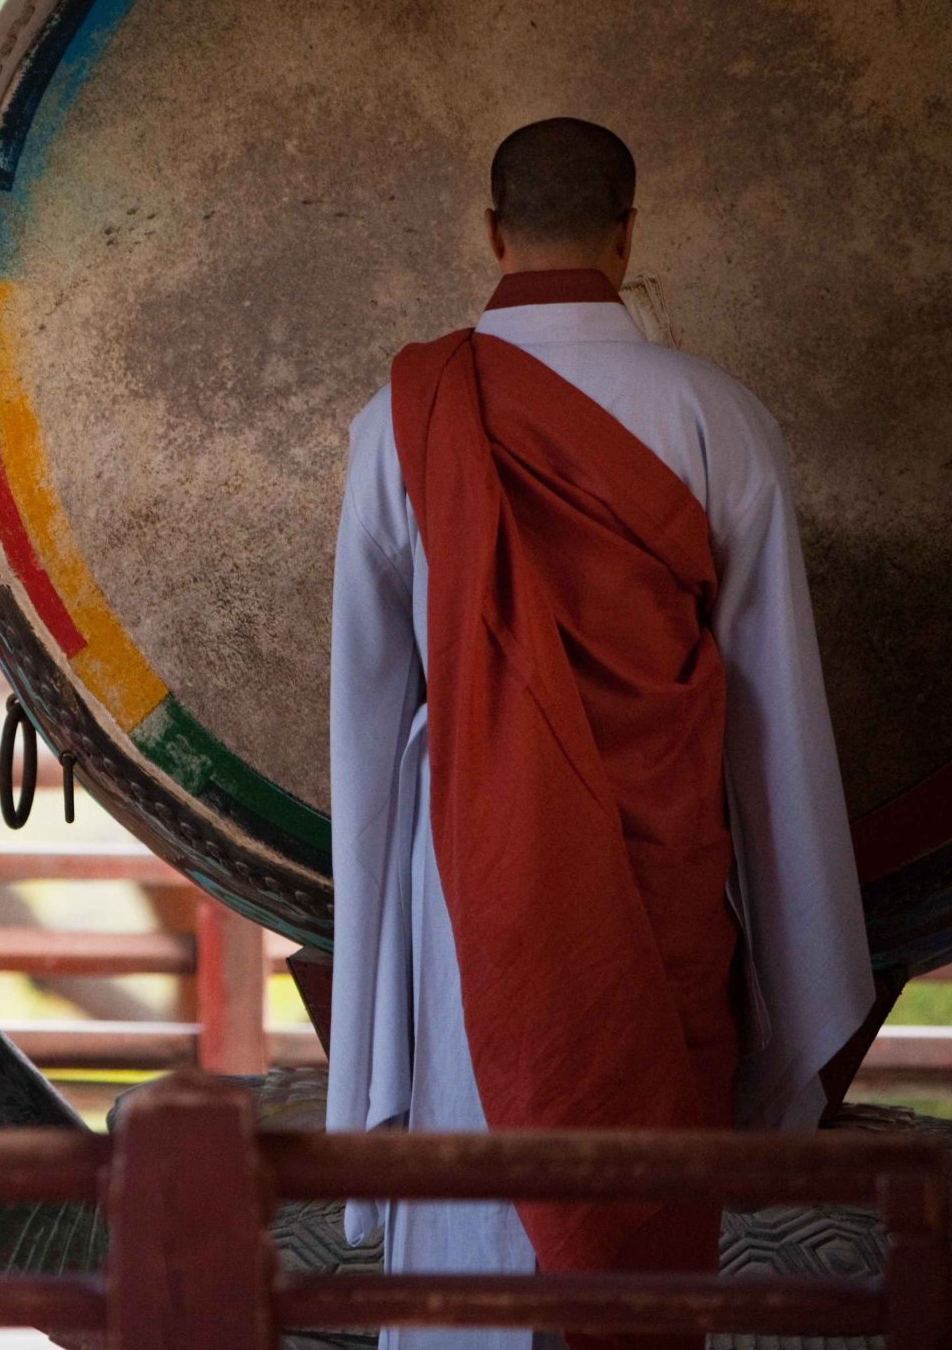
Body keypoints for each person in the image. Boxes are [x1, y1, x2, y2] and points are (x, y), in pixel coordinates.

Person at [325, 118, 873, 1350]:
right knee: (640, 1191)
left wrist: (373, 958)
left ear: (489, 231)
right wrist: (800, 954)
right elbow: (771, 707)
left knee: (475, 1165)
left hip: (475, 868)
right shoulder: (716, 414)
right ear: (630, 234)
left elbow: (365, 706)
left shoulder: (399, 422)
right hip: (667, 860)